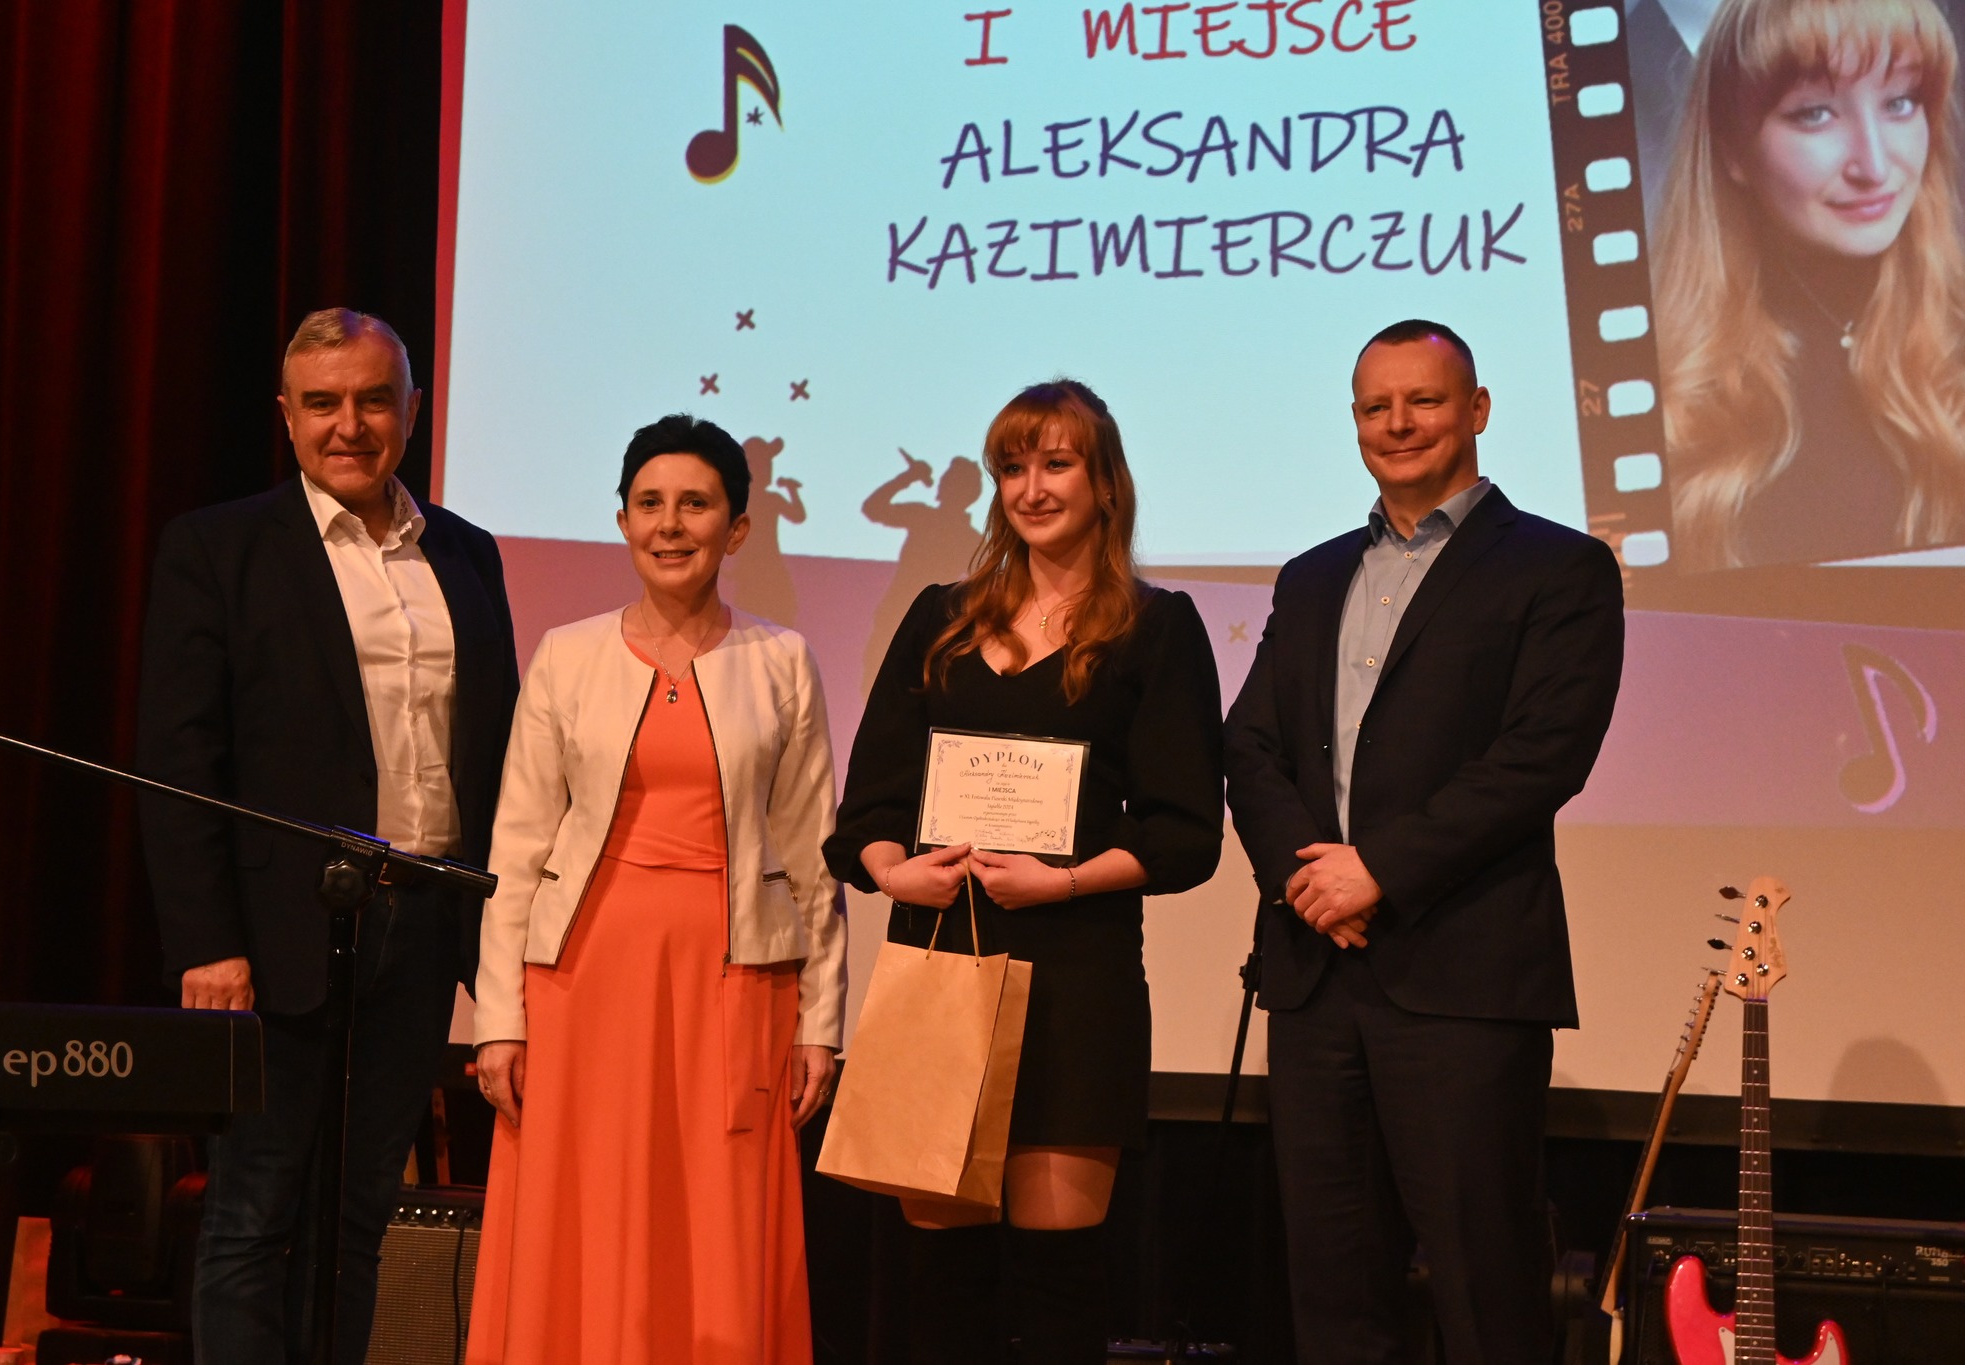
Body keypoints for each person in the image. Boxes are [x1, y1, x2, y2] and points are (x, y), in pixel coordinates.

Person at [1223, 320, 1625, 1365]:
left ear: (1476, 409)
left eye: (1424, 400)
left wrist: (1379, 872)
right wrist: (1311, 881)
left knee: (1486, 1289)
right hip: (1316, 975)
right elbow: (1251, 746)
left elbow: (1542, 755)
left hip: (1462, 977)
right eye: (1375, 406)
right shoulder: (1312, 576)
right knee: (1333, 1294)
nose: (1397, 423)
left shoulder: (1559, 567)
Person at [136, 308, 520, 1364]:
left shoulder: (468, 553)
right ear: (286, 415)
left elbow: (497, 753)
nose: (349, 424)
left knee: (359, 1216)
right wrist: (207, 942)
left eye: (372, 399)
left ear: (413, 410)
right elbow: (178, 764)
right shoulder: (218, 548)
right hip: (277, 936)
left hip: (424, 924)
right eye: (322, 403)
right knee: (253, 1210)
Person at [827, 379, 1223, 1365]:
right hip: (943, 958)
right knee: (941, 1281)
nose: (1032, 488)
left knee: (1058, 1279)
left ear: (1104, 482)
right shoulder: (940, 617)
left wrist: (1063, 881)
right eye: (1013, 467)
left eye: (1056, 464)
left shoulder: (1156, 626)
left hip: (1075, 973)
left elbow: (1183, 832)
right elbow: (870, 806)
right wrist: (893, 873)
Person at [466, 413, 845, 1365]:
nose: (670, 524)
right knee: (583, 1210)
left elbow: (813, 859)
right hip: (583, 979)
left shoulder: (782, 660)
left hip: (737, 980)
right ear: (623, 521)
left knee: (718, 1215)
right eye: (649, 504)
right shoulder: (567, 655)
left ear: (737, 528)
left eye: (696, 504)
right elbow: (517, 849)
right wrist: (498, 1018)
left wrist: (822, 1022)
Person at [1655, 0, 1965, 569]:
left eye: (1900, 103)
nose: (1874, 166)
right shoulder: (1661, 387)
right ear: (1732, 148)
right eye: (1815, 114)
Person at [860, 451, 985, 694]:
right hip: (893, 612)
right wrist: (907, 477)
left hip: (940, 629)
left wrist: (910, 476)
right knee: (875, 686)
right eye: (946, 479)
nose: (944, 484)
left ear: (969, 493)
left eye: (951, 481)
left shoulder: (973, 540)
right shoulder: (922, 516)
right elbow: (873, 508)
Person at [725, 434, 804, 624]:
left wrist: (792, 490)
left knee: (783, 615)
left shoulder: (770, 499)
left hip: (770, 567)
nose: (767, 469)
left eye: (768, 464)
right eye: (762, 464)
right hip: (749, 570)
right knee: (746, 620)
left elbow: (797, 516)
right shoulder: (737, 501)